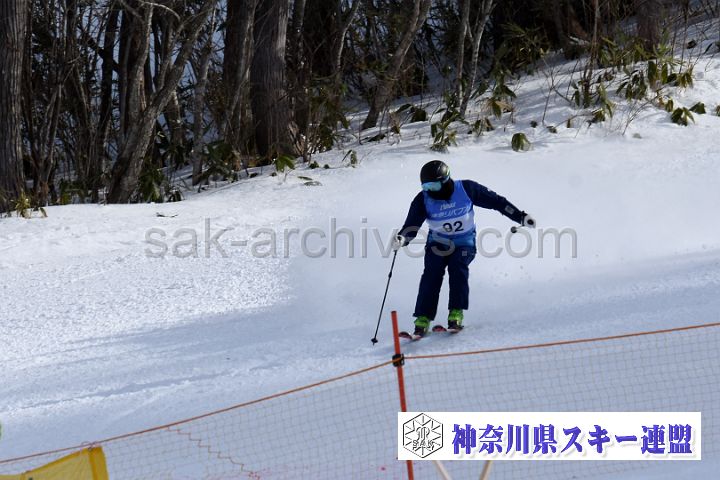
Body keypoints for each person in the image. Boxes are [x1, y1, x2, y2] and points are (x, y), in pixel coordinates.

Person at [393, 160, 535, 337]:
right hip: (438, 242)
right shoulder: (423, 199)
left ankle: (456, 313)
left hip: (464, 242)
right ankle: (423, 318)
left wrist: (521, 217)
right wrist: (402, 239)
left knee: (458, 267)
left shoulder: (466, 189)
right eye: (426, 186)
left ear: (445, 180)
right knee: (432, 273)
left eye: (434, 186)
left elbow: (497, 202)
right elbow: (411, 226)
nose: (430, 191)